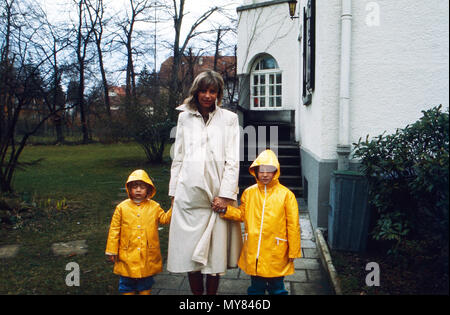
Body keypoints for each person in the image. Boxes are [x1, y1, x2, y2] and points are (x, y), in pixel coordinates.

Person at [167, 70, 242, 295]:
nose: (208, 95)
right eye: (203, 90)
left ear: (218, 94)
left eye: (213, 91)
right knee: (190, 256)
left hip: (217, 199)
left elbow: (232, 160)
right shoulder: (184, 117)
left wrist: (226, 195)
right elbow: (178, 156)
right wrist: (173, 193)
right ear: (196, 91)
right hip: (188, 198)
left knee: (213, 259)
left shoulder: (229, 119)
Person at [213, 149, 301, 295]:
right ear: (255, 171)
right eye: (261, 170)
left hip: (276, 252)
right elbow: (242, 214)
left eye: (269, 170)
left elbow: (293, 225)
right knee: (256, 288)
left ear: (276, 172)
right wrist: (225, 210)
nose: (265, 174)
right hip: (255, 251)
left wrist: (293, 250)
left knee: (277, 288)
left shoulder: (286, 195)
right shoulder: (249, 193)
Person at [105, 169, 172, 295]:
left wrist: (174, 207)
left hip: (147, 253)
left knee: (145, 282)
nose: (138, 190)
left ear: (148, 189)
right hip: (127, 254)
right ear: (129, 189)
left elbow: (165, 219)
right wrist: (111, 250)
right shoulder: (121, 208)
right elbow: (114, 230)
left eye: (142, 187)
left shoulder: (154, 207)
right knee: (126, 282)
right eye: (135, 186)